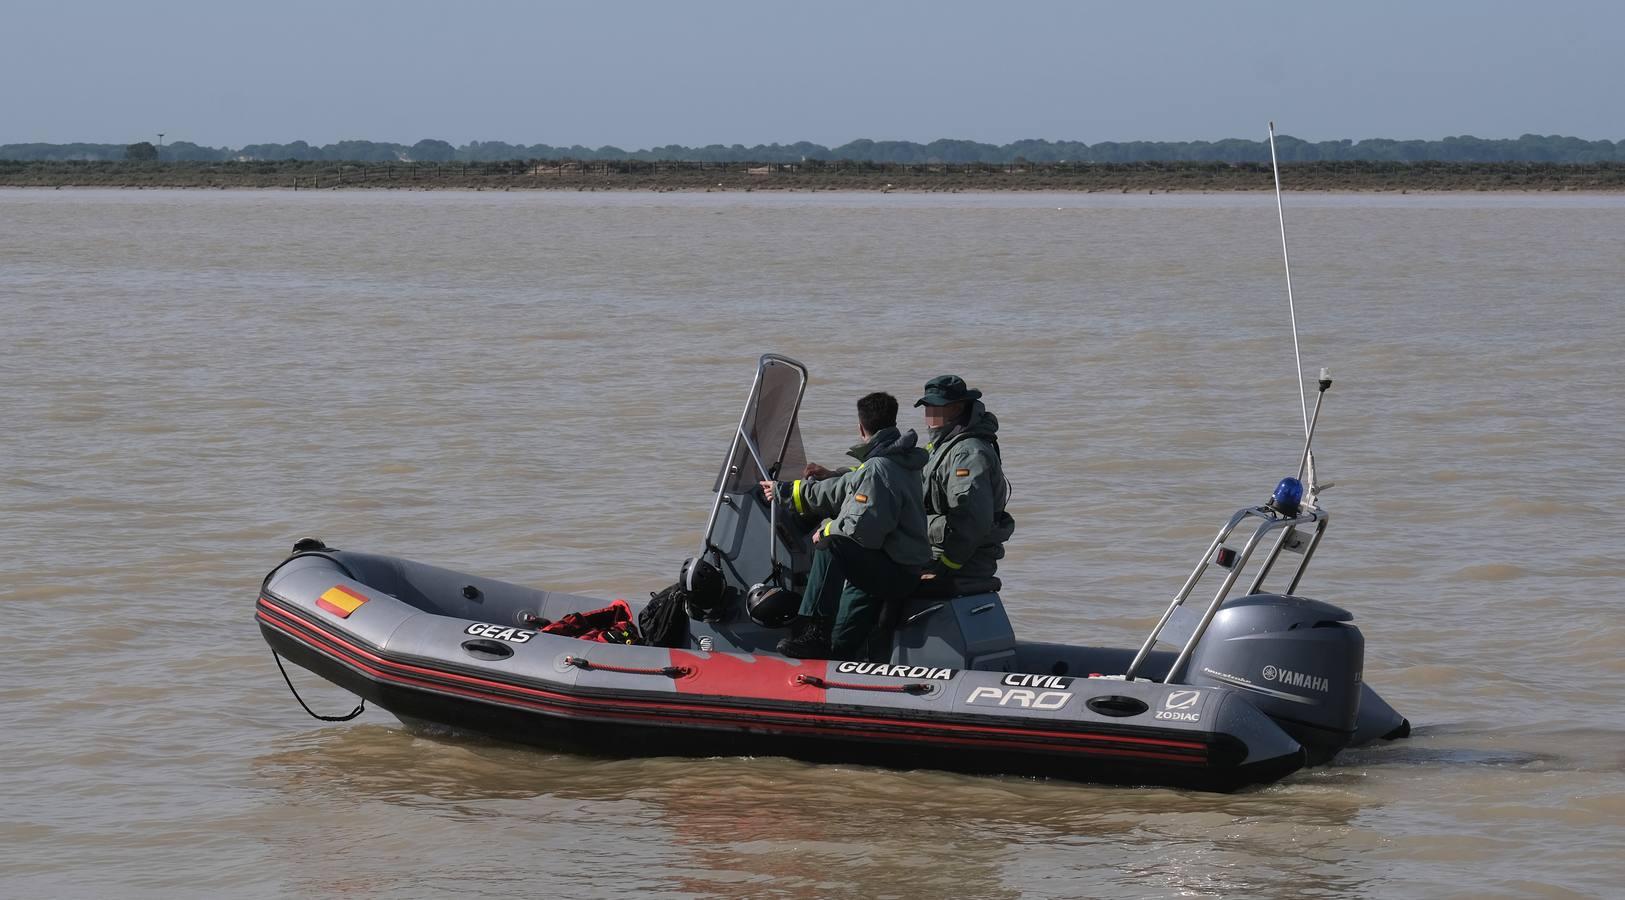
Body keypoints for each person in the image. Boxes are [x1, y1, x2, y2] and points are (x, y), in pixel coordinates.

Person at [759, 392, 931, 659]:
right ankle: (837, 655)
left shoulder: (877, 468)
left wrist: (826, 532)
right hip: (897, 564)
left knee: (831, 546)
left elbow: (864, 532)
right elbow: (844, 487)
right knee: (841, 644)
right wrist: (785, 490)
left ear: (861, 427)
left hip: (894, 570)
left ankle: (812, 633)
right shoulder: (897, 459)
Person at [914, 375, 1015, 597]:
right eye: (926, 406)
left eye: (936, 406)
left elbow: (972, 521)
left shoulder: (968, 453)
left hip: (961, 562)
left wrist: (946, 566)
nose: (929, 413)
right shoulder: (941, 445)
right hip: (934, 553)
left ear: (957, 407)